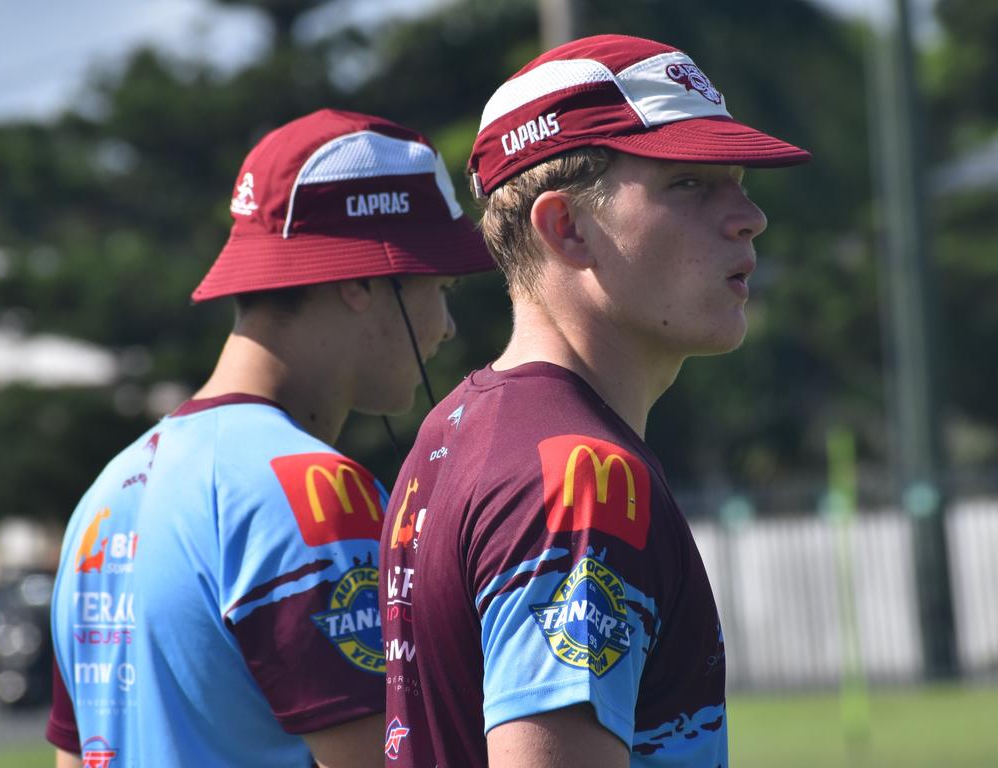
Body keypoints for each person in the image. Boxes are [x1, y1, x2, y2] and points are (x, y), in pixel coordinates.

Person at [379, 34, 810, 767]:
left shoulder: (454, 426)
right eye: (688, 184)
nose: (748, 216)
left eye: (738, 180)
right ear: (567, 228)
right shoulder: (579, 477)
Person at [46, 108, 495, 767]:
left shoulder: (105, 495)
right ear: (363, 281)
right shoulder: (314, 494)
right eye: (441, 287)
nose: (447, 327)